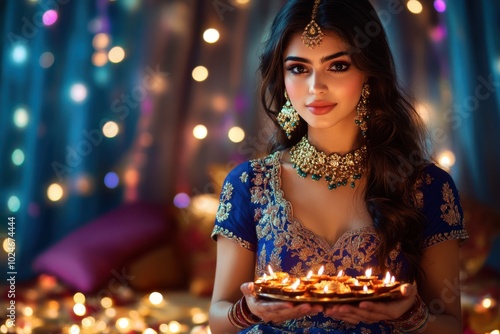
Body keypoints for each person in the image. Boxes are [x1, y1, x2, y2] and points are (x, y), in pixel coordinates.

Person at [209, 0, 469, 332]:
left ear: (369, 73)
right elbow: (218, 320)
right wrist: (249, 310)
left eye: (338, 66)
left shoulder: (425, 186)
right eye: (299, 68)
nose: (315, 86)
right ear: (283, 77)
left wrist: (409, 315)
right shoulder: (250, 183)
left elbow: (449, 325)